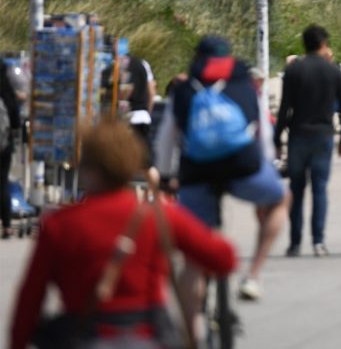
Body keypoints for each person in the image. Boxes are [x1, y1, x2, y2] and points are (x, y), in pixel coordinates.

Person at [11, 120, 237, 349]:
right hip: (148, 334)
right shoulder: (159, 216)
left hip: (84, 335)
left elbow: (30, 299)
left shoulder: (60, 224)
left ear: (88, 166)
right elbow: (223, 258)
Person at [156, 35, 287, 303]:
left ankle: (192, 335)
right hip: (243, 167)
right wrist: (266, 167)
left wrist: (167, 177)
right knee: (281, 200)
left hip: (196, 172)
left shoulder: (183, 90)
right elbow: (263, 133)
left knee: (193, 259)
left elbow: (166, 140)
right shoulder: (244, 85)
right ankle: (252, 275)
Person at [274, 24, 341, 257]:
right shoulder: (333, 71)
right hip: (323, 136)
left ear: (304, 44)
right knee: (319, 189)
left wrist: (277, 138)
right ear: (323, 44)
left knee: (296, 190)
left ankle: (295, 242)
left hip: (298, 135)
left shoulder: (294, 71)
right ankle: (318, 241)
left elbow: (284, 106)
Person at [1, 62, 19, 239]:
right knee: (3, 183)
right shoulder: (7, 91)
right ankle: (6, 225)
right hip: (4, 145)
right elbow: (15, 120)